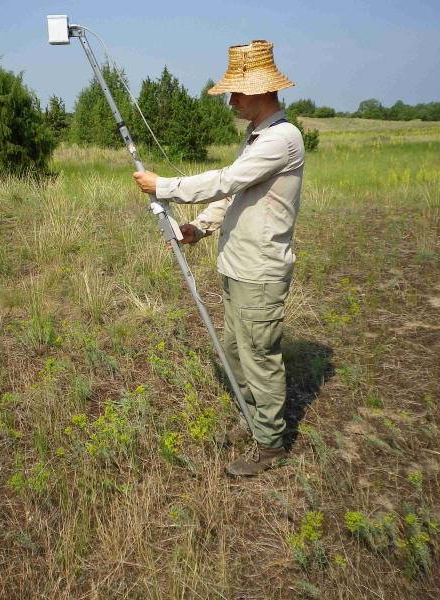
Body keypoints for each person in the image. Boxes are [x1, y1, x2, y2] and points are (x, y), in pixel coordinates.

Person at [133, 40, 305, 477]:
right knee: (235, 349)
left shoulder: (283, 139)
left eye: (236, 93)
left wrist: (164, 186)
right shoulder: (257, 137)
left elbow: (225, 180)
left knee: (259, 356)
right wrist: (199, 228)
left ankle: (270, 444)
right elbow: (234, 195)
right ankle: (253, 420)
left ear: (263, 91)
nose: (230, 101)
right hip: (237, 266)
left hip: (260, 272)